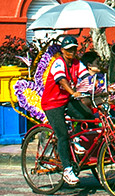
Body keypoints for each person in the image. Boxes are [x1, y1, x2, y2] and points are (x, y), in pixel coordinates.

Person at [40, 36, 94, 187]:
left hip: (66, 100)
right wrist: (73, 92)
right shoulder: (58, 63)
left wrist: (102, 86)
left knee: (87, 116)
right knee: (62, 135)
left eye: (74, 49)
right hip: (52, 103)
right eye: (69, 49)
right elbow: (61, 80)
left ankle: (76, 140)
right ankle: (67, 170)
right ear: (62, 50)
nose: (72, 52)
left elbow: (87, 77)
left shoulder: (77, 63)